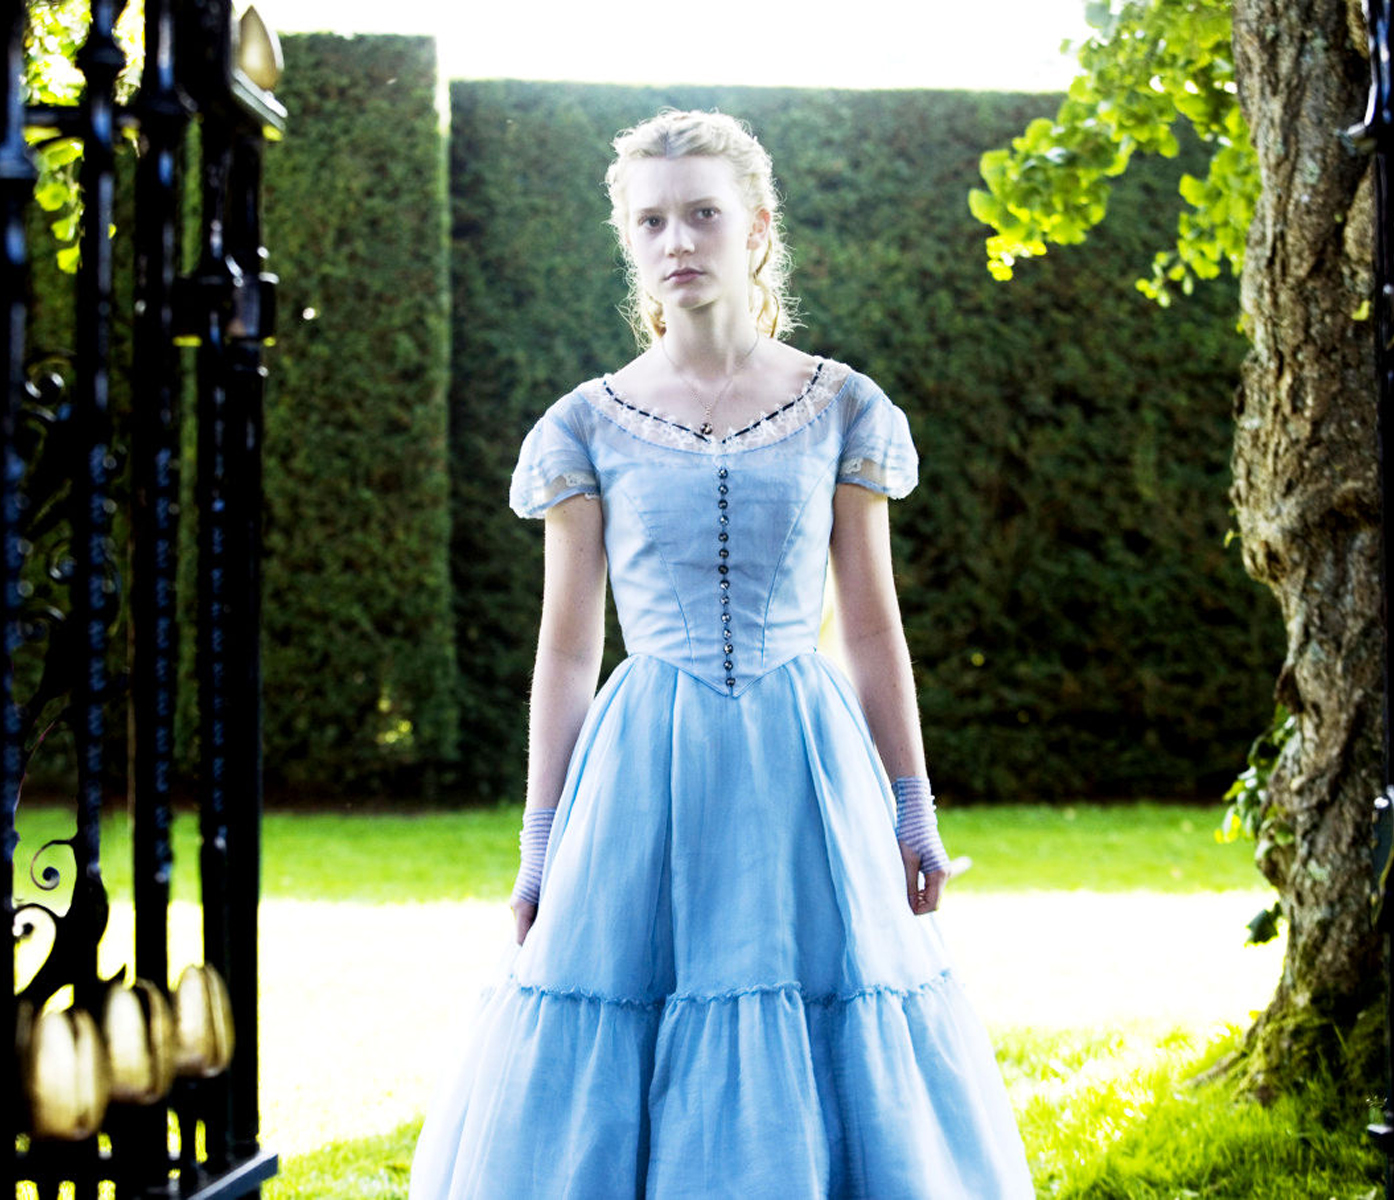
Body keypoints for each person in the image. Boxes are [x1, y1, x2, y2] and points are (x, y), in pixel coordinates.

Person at [409, 108, 1033, 1198]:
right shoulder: (583, 426)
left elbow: (871, 624)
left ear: (757, 227)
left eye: (703, 213)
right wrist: (539, 845)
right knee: (625, 1001)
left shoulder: (843, 406)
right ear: (628, 240)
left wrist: (912, 807)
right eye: (651, 221)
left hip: (808, 764)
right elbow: (567, 653)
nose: (678, 241)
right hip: (641, 771)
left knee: (832, 995)